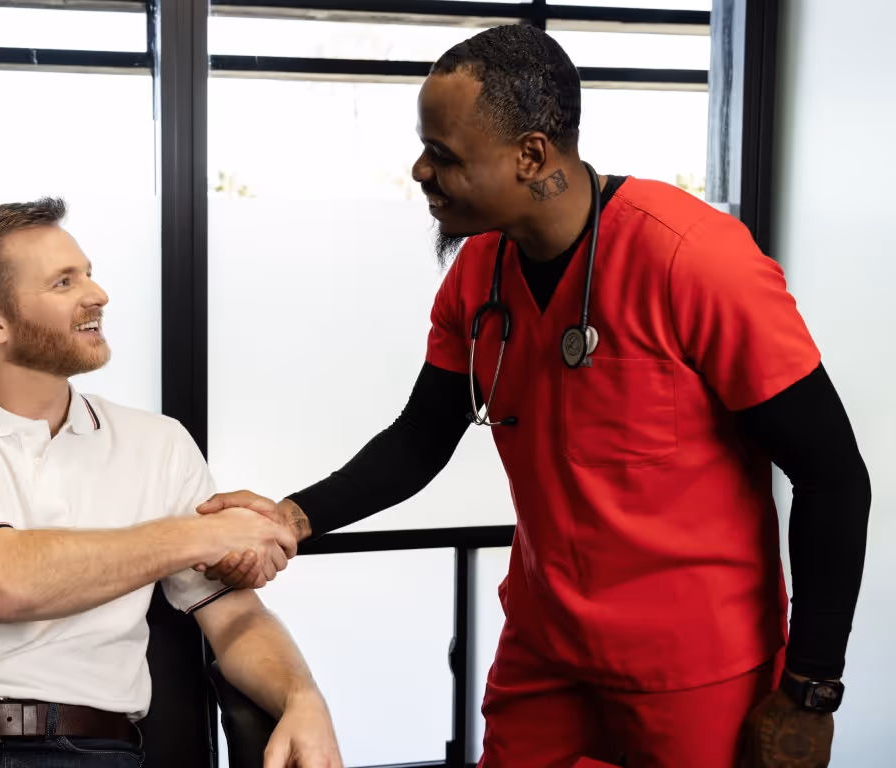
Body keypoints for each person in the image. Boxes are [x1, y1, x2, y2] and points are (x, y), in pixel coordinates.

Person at [194, 25, 871, 768]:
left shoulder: (695, 261)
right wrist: (291, 517)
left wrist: (810, 687)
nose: (420, 170)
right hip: (546, 651)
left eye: (444, 154)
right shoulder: (479, 272)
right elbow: (421, 438)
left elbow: (833, 476)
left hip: (692, 664)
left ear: (531, 154)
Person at [0, 198, 342, 768]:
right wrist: (209, 533)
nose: (97, 294)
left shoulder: (157, 442)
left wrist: (303, 697)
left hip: (92, 752)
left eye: (89, 274)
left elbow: (235, 618)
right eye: (64, 282)